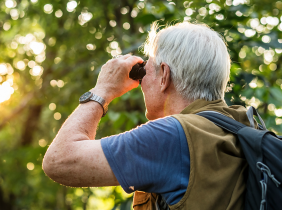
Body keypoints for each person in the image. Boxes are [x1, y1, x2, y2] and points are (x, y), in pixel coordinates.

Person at [43, 22, 250, 210]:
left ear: (164, 75)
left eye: (145, 71)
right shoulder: (243, 125)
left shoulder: (171, 136)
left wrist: (102, 90)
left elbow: (59, 161)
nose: (141, 82)